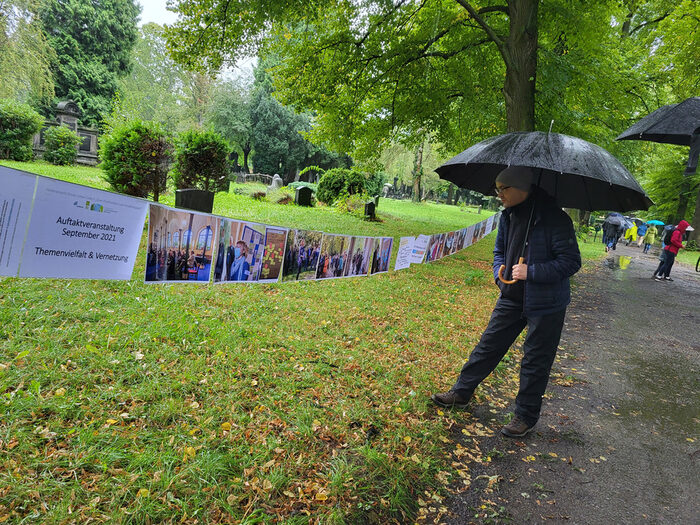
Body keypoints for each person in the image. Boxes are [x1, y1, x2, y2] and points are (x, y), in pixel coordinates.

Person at [431, 166, 581, 438]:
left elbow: (571, 262)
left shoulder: (556, 220)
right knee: (488, 345)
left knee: (536, 359)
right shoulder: (508, 217)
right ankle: (462, 392)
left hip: (546, 304)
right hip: (511, 297)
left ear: (522, 188)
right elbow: (499, 252)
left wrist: (531, 272)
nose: (498, 194)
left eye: (504, 189)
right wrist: (499, 276)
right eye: (497, 189)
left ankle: (525, 416)